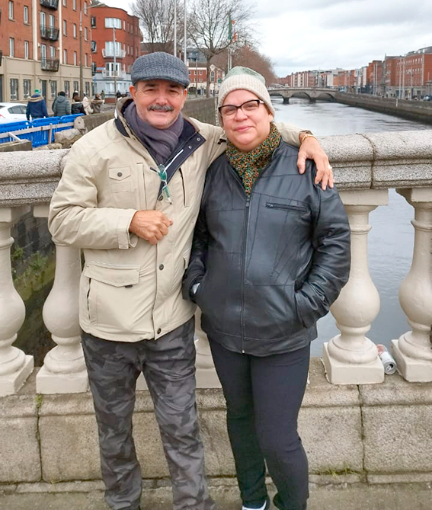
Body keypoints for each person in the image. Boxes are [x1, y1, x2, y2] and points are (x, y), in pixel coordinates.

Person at [48, 52, 334, 510]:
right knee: (114, 433)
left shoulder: (203, 140)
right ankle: (123, 504)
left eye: (172, 90)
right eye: (151, 89)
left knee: (184, 430)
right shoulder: (93, 149)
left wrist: (308, 138)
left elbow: (254, 124)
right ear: (133, 92)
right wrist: (126, 222)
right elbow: (61, 221)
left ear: (184, 96)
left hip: (172, 319)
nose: (162, 99)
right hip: (107, 322)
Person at [183, 67, 351, 510]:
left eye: (250, 105)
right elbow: (199, 238)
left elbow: (334, 243)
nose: (241, 115)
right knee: (240, 422)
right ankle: (253, 501)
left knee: (278, 437)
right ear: (222, 117)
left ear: (269, 111)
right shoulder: (214, 172)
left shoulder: (304, 167)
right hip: (225, 331)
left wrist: (305, 305)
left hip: (283, 332)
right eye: (230, 108)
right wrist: (200, 288)